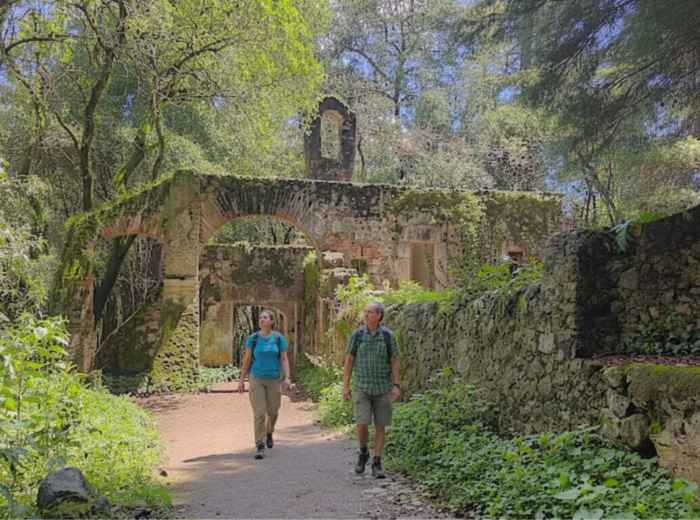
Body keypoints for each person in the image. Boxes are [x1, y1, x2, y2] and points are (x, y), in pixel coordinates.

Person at [343, 301, 401, 479]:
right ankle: (363, 452)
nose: (366, 315)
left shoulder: (388, 336)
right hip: (362, 386)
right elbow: (349, 360)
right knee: (361, 423)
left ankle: (377, 461)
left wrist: (396, 385)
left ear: (379, 315)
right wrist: (346, 385)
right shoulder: (358, 335)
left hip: (383, 388)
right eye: (365, 312)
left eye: (370, 312)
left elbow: (394, 360)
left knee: (380, 425)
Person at [238, 310, 292, 460]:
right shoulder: (253, 339)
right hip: (256, 378)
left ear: (272, 321)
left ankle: (269, 432)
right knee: (260, 413)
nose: (262, 319)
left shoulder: (278, 338)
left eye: (265, 317)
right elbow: (247, 360)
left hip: (274, 379)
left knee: (273, 412)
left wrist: (287, 377)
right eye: (260, 317)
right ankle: (259, 445)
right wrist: (242, 380)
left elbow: (284, 359)